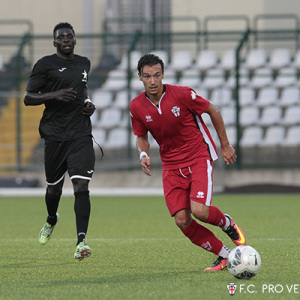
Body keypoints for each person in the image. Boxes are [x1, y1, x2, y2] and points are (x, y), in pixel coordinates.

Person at [130, 53, 246, 271]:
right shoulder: (136, 106)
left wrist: (225, 145)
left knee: (200, 211)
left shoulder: (182, 94)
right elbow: (141, 135)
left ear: (163, 74)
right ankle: (225, 255)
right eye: (147, 76)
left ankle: (226, 223)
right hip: (171, 166)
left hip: (197, 156)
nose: (152, 81)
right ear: (140, 77)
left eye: (156, 75)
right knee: (182, 220)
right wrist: (143, 154)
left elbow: (213, 110)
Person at [24, 22, 96, 261]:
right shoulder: (44, 65)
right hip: (54, 135)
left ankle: (81, 241)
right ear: (54, 42)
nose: (65, 39)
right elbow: (27, 98)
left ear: (74, 40)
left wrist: (88, 104)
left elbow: (83, 91)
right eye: (61, 36)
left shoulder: (84, 63)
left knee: (81, 186)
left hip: (80, 133)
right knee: (54, 189)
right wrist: (54, 95)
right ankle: (51, 219)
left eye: (69, 36)